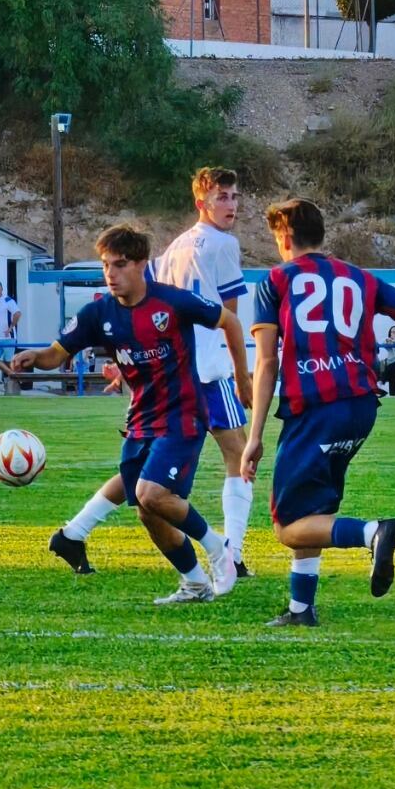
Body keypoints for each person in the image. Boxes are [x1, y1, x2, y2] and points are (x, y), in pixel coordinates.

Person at [242, 197, 395, 627]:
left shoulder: (276, 281)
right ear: (321, 234)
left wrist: (254, 436)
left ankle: (372, 532)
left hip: (316, 408)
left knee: (288, 526)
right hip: (361, 407)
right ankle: (302, 609)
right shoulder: (361, 279)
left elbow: (266, 362)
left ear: (283, 237)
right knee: (313, 511)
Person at [14, 223, 249, 604]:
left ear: (142, 264)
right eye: (106, 265)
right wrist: (34, 358)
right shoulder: (97, 313)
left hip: (183, 414)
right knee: (146, 512)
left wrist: (242, 377)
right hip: (141, 419)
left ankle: (218, 548)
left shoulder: (172, 301)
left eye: (120, 265)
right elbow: (57, 353)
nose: (111, 273)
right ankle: (194, 583)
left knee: (151, 493)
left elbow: (230, 320)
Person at [51, 168, 256, 578]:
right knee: (239, 454)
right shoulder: (223, 245)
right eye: (222, 197)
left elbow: (143, 315)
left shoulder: (174, 248)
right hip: (206, 370)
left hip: (164, 373)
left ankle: (75, 530)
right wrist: (242, 373)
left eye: (234, 197)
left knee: (146, 470)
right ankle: (230, 553)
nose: (231, 205)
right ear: (201, 201)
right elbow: (228, 314)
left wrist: (132, 368)